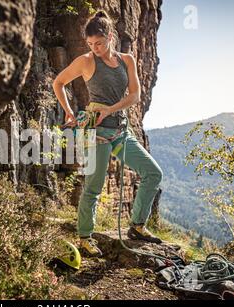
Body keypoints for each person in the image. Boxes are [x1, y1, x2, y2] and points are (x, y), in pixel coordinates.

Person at [52, 10, 163, 256]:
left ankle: (137, 225)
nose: (95, 48)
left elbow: (135, 95)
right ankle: (84, 237)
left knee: (153, 173)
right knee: (94, 185)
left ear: (110, 36)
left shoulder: (127, 60)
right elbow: (58, 82)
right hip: (95, 131)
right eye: (90, 44)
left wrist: (112, 109)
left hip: (121, 131)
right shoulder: (86, 61)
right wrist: (69, 113)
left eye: (99, 43)